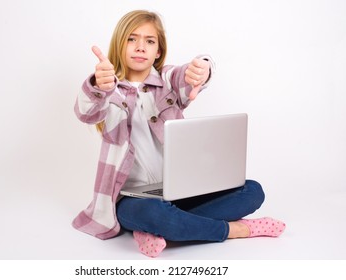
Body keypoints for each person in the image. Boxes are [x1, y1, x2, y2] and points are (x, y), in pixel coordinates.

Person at [72, 10, 285, 257]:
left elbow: (187, 75)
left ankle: (157, 230)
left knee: (252, 191)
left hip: (179, 191)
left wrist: (202, 68)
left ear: (158, 51)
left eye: (149, 41)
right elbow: (85, 112)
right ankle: (235, 230)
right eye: (132, 39)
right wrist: (98, 86)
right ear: (119, 44)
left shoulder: (167, 80)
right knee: (150, 214)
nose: (141, 47)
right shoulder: (108, 89)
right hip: (133, 200)